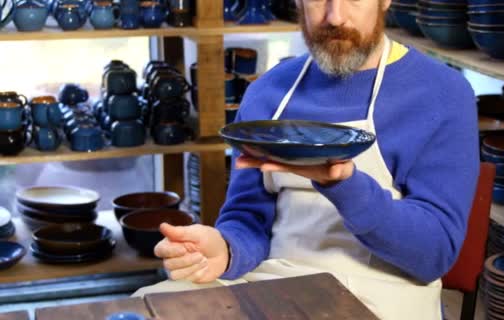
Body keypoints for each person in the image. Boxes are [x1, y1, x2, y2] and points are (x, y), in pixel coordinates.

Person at [133, 0, 480, 318]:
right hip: (275, 285)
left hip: (386, 296)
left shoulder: (442, 94)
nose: (335, 17)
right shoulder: (268, 93)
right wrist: (225, 249)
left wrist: (343, 184)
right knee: (148, 306)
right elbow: (248, 221)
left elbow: (433, 255)